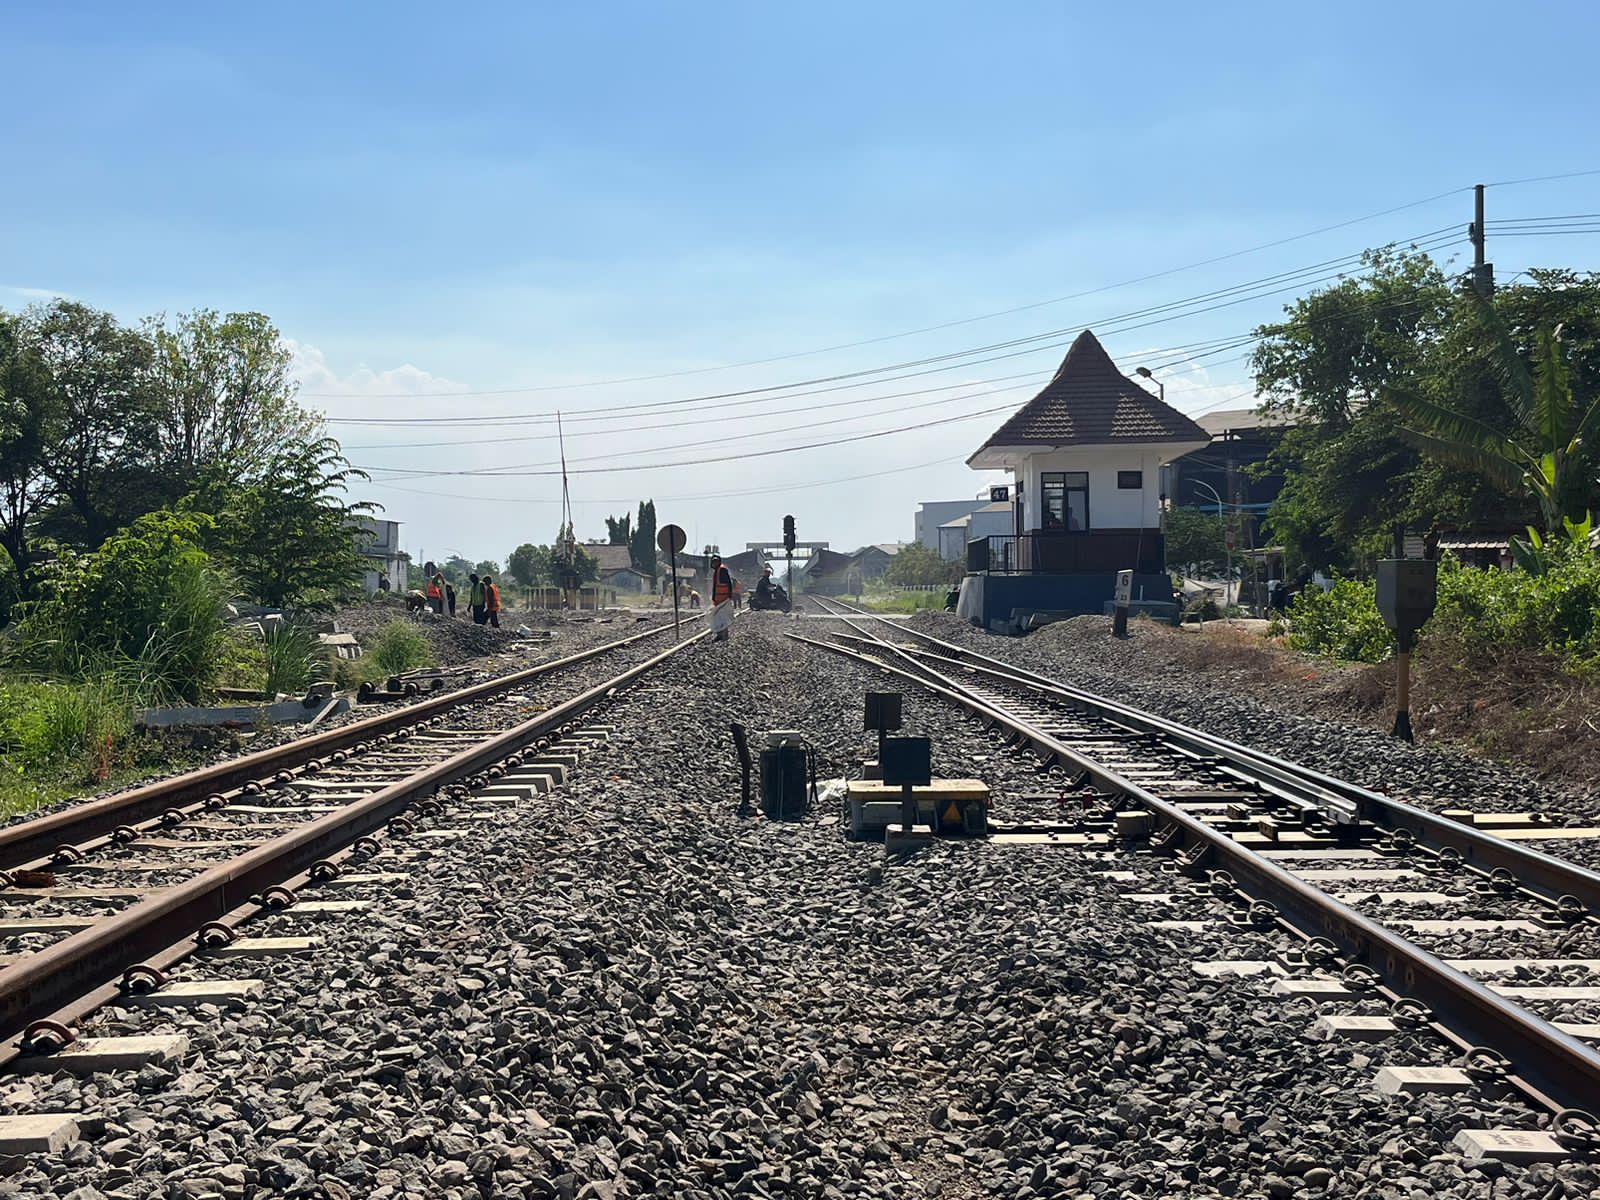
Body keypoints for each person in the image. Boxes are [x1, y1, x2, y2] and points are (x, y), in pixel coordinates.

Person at [709, 554, 735, 641]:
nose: (714, 563)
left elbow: (729, 583)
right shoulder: (717, 571)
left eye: (716, 561)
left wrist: (730, 595)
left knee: (722, 617)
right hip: (718, 598)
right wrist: (713, 597)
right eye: (713, 561)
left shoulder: (722, 570)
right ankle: (720, 634)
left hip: (723, 598)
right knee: (718, 617)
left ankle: (723, 635)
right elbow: (715, 586)